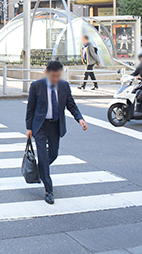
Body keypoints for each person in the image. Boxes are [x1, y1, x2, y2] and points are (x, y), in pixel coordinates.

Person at [26, 61, 88, 205]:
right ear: (46, 72)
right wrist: (29, 127)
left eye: (58, 76)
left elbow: (71, 104)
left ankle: (41, 170)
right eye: (53, 76)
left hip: (55, 125)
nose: (55, 79)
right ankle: (49, 190)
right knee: (42, 155)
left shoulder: (64, 86)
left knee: (53, 154)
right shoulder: (36, 86)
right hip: (40, 126)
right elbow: (30, 108)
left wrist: (80, 118)